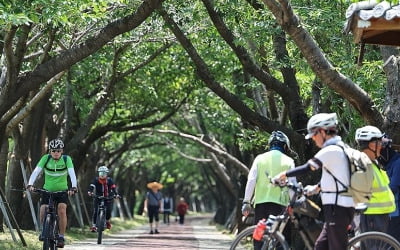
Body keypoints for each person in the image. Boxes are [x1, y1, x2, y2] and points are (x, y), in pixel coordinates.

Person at [273, 113, 355, 250]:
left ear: (323, 132)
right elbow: (337, 177)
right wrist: (316, 188)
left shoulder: (331, 150)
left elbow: (308, 167)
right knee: (320, 246)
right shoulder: (340, 148)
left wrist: (284, 174)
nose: (313, 140)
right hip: (335, 207)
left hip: (338, 207)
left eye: (314, 135)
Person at [241, 130, 296, 250]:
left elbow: (251, 180)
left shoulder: (259, 159)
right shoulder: (289, 161)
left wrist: (246, 201)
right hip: (281, 206)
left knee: (259, 238)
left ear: (270, 144)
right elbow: (292, 185)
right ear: (285, 146)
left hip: (261, 205)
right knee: (281, 240)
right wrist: (293, 205)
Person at [26, 138, 77, 248]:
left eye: (58, 151)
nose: (56, 153)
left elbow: (72, 174)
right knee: (43, 209)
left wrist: (73, 187)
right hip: (47, 190)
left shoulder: (66, 159)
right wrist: (30, 184)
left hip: (62, 191)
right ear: (50, 151)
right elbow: (36, 171)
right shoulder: (46, 158)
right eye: (53, 151)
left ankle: (61, 236)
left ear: (62, 151)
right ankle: (43, 229)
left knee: (62, 210)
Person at [355, 126, 395, 235]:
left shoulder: (373, 163)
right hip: (372, 217)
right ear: (372, 144)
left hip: (379, 216)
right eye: (379, 142)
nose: (381, 146)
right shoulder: (363, 163)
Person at [378, 135, 400, 242]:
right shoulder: (386, 165)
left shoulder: (397, 163)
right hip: (388, 213)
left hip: (396, 214)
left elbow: (393, 188)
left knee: (391, 243)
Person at [87, 166, 118, 232]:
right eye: (101, 173)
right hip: (98, 197)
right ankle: (94, 226)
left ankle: (107, 221)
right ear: (98, 173)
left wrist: (116, 194)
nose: (102, 175)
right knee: (95, 211)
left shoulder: (109, 180)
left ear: (106, 174)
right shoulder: (96, 180)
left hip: (107, 197)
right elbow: (92, 186)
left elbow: (113, 187)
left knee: (109, 210)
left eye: (104, 173)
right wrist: (90, 191)